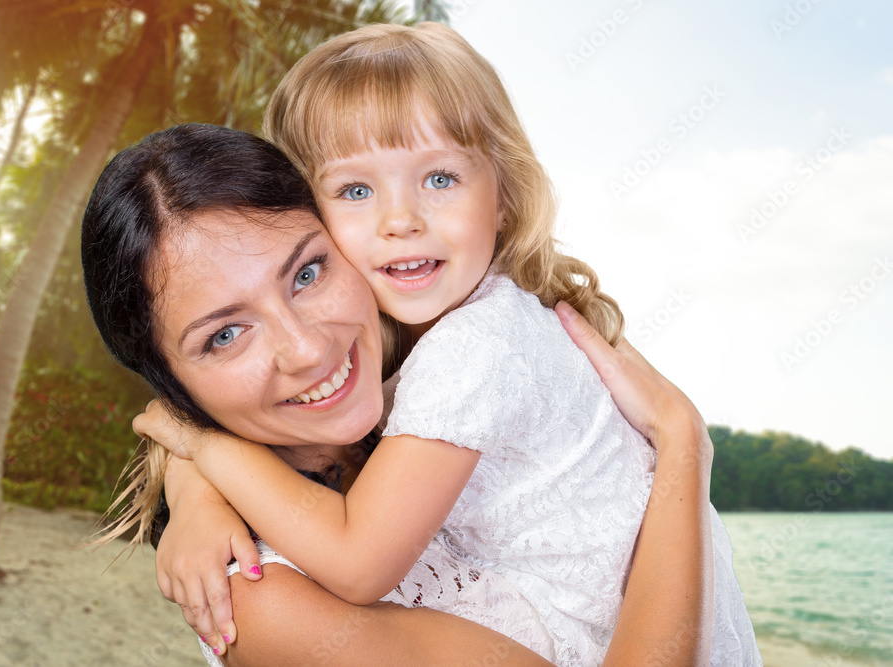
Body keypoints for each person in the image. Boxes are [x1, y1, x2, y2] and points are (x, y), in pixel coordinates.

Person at [134, 23, 760, 666]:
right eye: (356, 190)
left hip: (610, 634)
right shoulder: (430, 327)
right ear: (310, 215)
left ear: (504, 196)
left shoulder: (479, 345)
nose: (400, 221)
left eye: (439, 179)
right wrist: (193, 493)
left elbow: (358, 562)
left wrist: (201, 446)